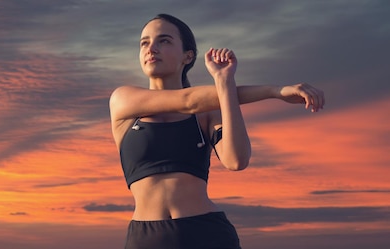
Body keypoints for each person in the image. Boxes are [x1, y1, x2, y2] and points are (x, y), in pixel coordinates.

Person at [109, 14, 325, 249]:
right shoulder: (124, 100)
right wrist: (275, 91)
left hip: (207, 234)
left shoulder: (207, 113)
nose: (151, 48)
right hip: (146, 238)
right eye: (144, 42)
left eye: (164, 41)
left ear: (188, 55)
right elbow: (188, 101)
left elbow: (236, 160)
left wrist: (225, 82)